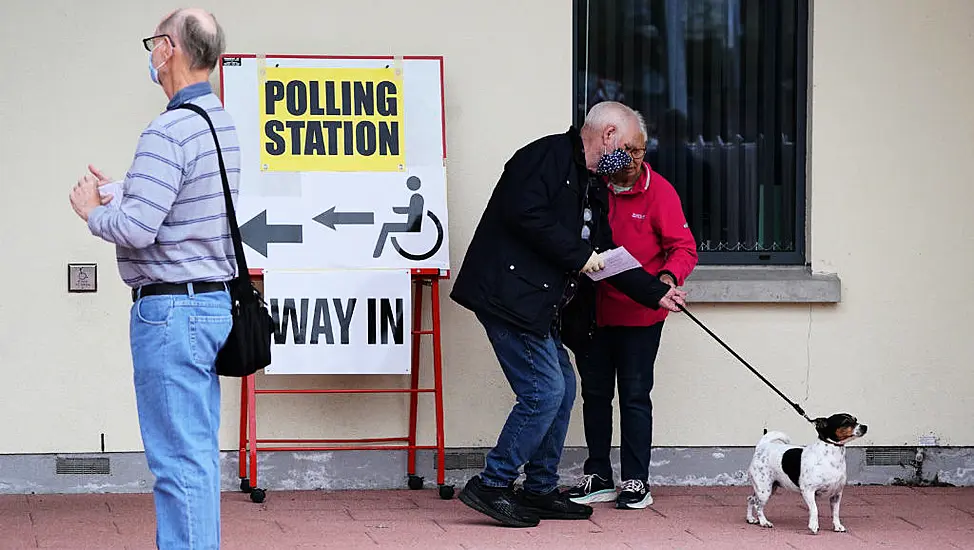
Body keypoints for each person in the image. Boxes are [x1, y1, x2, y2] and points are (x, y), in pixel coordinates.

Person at [450, 101, 687, 528]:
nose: (634, 159)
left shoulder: (592, 182)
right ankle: (492, 484)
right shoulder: (543, 157)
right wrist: (582, 258)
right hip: (508, 296)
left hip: (538, 304)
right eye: (632, 149)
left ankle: (539, 489)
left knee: (562, 388)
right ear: (609, 135)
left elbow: (608, 254)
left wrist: (655, 293)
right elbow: (525, 215)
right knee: (543, 391)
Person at [68, 9, 238, 549]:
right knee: (197, 459)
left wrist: (93, 211)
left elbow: (139, 228)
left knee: (176, 465)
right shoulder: (219, 123)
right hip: (212, 304)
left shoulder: (167, 129)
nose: (151, 53)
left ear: (168, 49)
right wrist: (127, 188)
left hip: (170, 313)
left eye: (153, 43)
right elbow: (187, 205)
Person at [564, 110, 698, 510]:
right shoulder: (592, 186)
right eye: (630, 150)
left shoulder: (661, 192)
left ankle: (637, 480)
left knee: (636, 396)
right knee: (595, 395)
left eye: (641, 150)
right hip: (593, 313)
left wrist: (669, 280)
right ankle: (598, 475)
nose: (636, 159)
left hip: (641, 315)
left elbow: (684, 248)